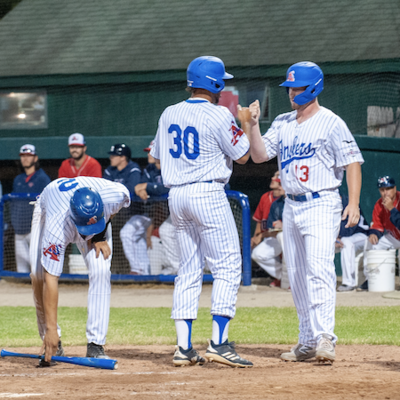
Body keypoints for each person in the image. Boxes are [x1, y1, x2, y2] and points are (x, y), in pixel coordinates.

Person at [247, 61, 363, 363]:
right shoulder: (284, 121)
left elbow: (352, 162)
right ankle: (307, 340)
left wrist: (353, 202)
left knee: (319, 268)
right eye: (289, 87)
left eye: (296, 87)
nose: (291, 93)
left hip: (322, 201)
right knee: (296, 275)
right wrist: (253, 125)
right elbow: (259, 155)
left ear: (313, 87)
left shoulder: (331, 122)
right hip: (293, 205)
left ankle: (326, 337)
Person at [150, 55, 253, 368]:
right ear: (215, 84)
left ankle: (183, 347)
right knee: (227, 265)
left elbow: (155, 157)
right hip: (207, 192)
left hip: (177, 196)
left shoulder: (169, 112)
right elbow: (244, 155)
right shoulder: (220, 114)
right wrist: (246, 122)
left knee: (189, 270)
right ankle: (219, 343)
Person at [30, 177, 130, 365]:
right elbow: (51, 279)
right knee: (38, 277)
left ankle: (95, 345)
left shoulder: (114, 196)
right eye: (87, 229)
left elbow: (116, 208)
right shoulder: (56, 227)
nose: (88, 234)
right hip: (47, 207)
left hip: (91, 215)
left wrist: (99, 235)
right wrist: (50, 328)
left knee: (101, 269)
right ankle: (52, 340)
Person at [120, 141, 171, 275]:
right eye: (148, 151)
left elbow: (165, 187)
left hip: (173, 216)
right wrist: (141, 188)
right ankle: (139, 271)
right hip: (151, 216)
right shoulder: (149, 169)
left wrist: (147, 187)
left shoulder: (170, 167)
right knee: (130, 234)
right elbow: (138, 186)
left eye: (151, 151)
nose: (148, 154)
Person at [11, 144, 51, 273]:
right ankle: (21, 293)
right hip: (19, 228)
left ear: (35, 158)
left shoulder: (42, 178)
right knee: (21, 268)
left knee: (38, 266)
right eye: (23, 156)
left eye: (29, 155)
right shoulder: (18, 179)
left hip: (35, 228)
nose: (25, 159)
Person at [358, 176, 400, 291]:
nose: (385, 192)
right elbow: (377, 225)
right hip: (394, 237)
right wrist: (374, 233)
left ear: (395, 188)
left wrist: (392, 209)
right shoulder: (379, 204)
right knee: (371, 243)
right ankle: (370, 278)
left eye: (389, 189)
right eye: (382, 190)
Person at [251, 171, 283, 287]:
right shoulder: (265, 197)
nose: (272, 178)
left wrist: (260, 236)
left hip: (283, 237)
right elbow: (259, 220)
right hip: (270, 238)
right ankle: (282, 276)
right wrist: (256, 236)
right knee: (257, 254)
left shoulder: (288, 198)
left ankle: (289, 278)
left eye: (276, 176)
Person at [336, 195, 369, 292]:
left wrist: (336, 238)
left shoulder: (349, 203)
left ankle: (349, 282)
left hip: (362, 235)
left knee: (346, 243)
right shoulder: (325, 207)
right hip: (340, 238)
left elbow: (350, 227)